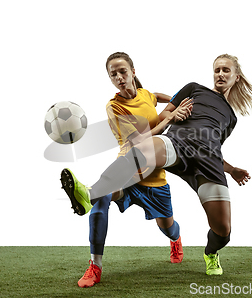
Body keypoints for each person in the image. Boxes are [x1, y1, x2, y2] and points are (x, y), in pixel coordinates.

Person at [61, 53, 252, 275]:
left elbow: (213, 146)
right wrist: (175, 113)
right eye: (217, 70)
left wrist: (231, 170)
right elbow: (165, 113)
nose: (220, 74)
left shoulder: (231, 117)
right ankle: (90, 195)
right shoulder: (194, 89)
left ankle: (211, 253)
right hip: (178, 144)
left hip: (207, 163)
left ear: (237, 76)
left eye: (226, 70)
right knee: (143, 149)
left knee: (223, 231)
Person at [69, 52, 191, 288]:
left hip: (154, 179)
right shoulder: (115, 106)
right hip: (128, 170)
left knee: (168, 227)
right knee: (101, 196)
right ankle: (95, 265)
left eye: (122, 71)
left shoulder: (144, 95)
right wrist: (169, 120)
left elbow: (154, 96)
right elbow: (139, 141)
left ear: (133, 72)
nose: (119, 77)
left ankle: (175, 240)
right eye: (113, 74)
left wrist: (175, 100)